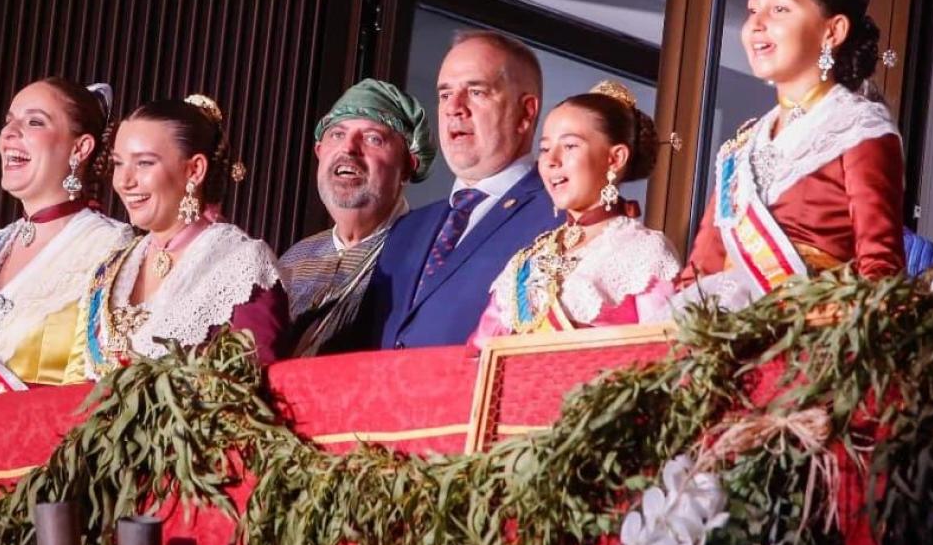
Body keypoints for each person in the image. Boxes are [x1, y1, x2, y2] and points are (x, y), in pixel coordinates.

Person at [675, 0, 904, 310]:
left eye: (779, 9)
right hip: (726, 327)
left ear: (833, 31)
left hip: (812, 326)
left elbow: (880, 270)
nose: (756, 24)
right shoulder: (741, 148)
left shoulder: (859, 128)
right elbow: (699, 273)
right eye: (753, 10)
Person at [353, 30, 560, 350]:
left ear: (526, 112)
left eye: (476, 92)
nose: (454, 108)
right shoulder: (405, 230)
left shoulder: (559, 218)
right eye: (445, 94)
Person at [0, 79, 136, 392]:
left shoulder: (107, 245)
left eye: (34, 122)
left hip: (51, 422)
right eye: (9, 121)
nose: (8, 133)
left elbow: (89, 380)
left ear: (80, 148)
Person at [71, 95, 290, 376]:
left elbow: (251, 382)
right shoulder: (111, 268)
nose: (124, 181)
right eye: (118, 163)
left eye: (144, 163)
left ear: (194, 170)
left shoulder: (240, 265)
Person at [471, 82, 680, 346]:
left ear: (615, 158)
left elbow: (668, 355)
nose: (551, 160)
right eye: (545, 148)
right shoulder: (529, 259)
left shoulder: (644, 253)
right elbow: (480, 352)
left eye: (570, 146)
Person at [277, 79, 434, 357]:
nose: (348, 148)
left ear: (408, 166)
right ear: (319, 152)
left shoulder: (428, 254)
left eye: (373, 138)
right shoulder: (293, 261)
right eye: (337, 134)